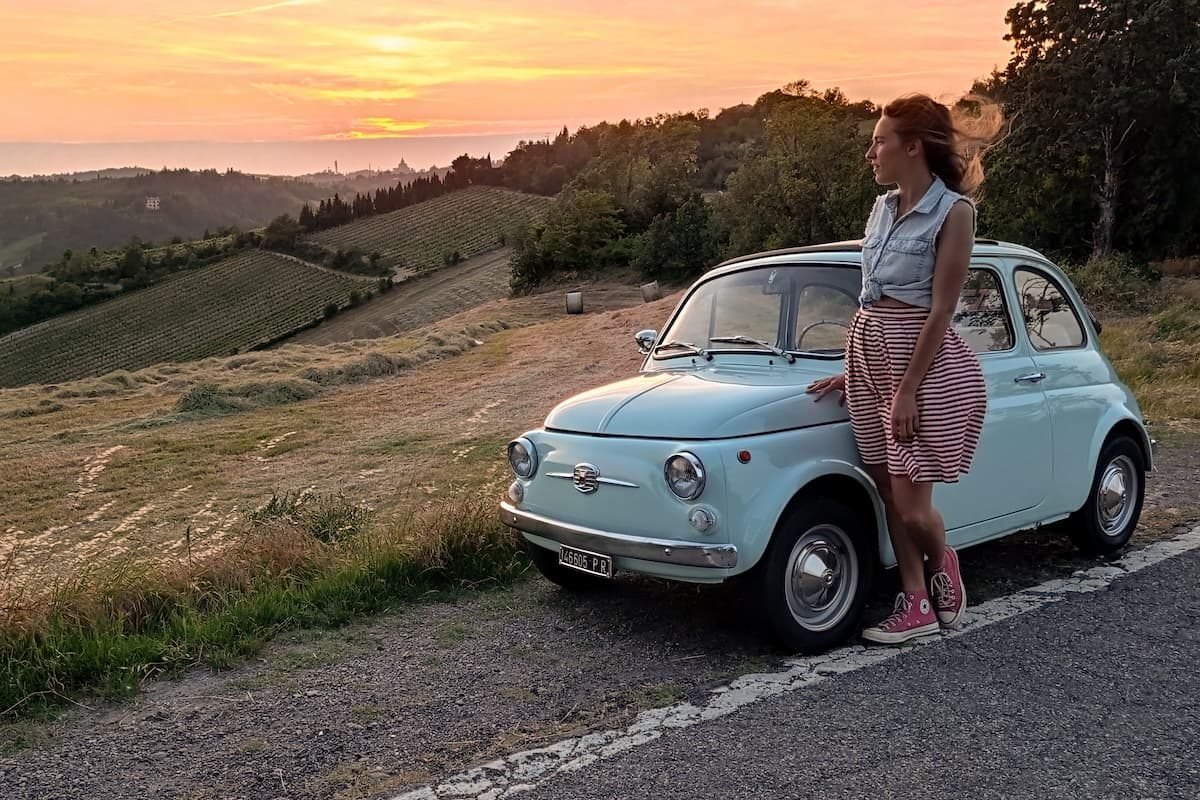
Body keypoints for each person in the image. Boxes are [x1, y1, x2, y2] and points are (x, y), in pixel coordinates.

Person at [807, 93, 1001, 645]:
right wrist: (856, 368)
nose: (871, 151)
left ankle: (945, 565)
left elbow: (940, 309)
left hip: (922, 365)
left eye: (880, 141)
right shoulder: (882, 208)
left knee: (914, 505)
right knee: (887, 490)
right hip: (868, 352)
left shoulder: (954, 213)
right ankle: (915, 602)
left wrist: (907, 389)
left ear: (912, 147)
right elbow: (872, 296)